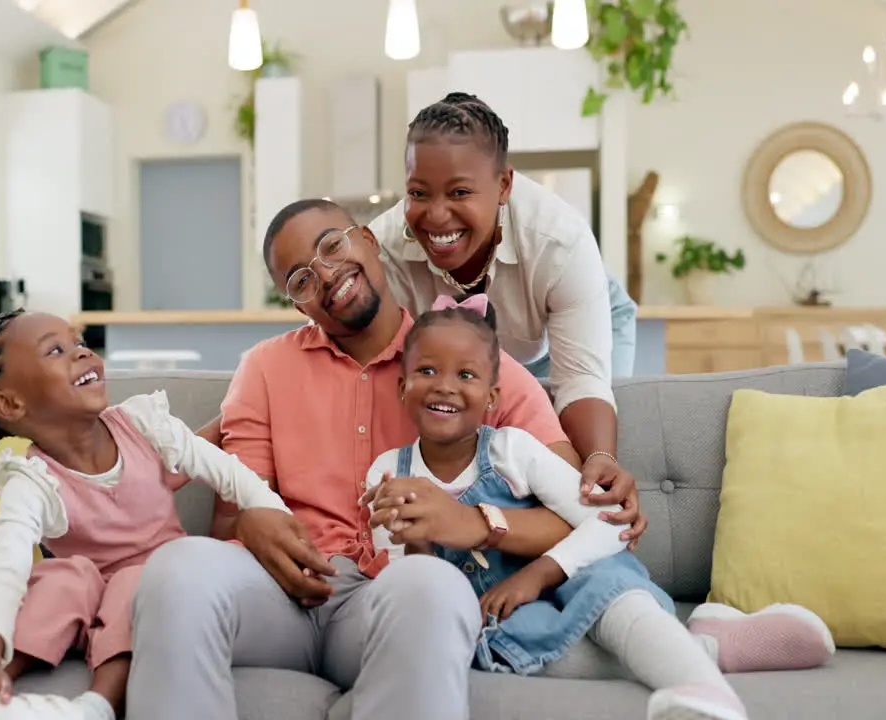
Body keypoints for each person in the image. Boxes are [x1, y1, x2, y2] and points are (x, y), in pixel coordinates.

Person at [127, 200, 830, 720]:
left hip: (393, 597)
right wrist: (250, 527)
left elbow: (583, 512)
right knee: (179, 567)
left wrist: (475, 521)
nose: (327, 275)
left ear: (371, 240)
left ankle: (697, 654)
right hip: (282, 601)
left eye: (334, 246)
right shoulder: (264, 368)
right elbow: (233, 510)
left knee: (431, 586)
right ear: (295, 300)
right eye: (301, 277)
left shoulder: (473, 362)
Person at [364, 294, 834, 720]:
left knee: (609, 588)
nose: (444, 386)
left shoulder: (513, 450)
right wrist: (419, 543)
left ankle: (705, 692)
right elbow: (409, 592)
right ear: (403, 387)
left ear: (491, 398)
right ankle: (706, 646)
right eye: (427, 371)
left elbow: (610, 524)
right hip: (501, 618)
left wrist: (538, 573)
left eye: (465, 374)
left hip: (569, 580)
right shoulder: (387, 473)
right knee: (525, 652)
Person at [0, 310, 292, 720]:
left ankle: (95, 707)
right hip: (85, 602)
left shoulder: (145, 425)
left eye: (79, 343)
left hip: (159, 592)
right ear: (12, 404)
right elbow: (6, 567)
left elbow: (230, 475)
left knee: (133, 580)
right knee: (59, 577)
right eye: (56, 350)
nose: (82, 354)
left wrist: (276, 515)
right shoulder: (33, 480)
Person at [369, 91, 641, 527]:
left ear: (504, 186)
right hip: (479, 356)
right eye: (419, 193)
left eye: (459, 191)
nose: (436, 216)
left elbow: (581, 379)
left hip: (572, 329)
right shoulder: (384, 248)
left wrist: (600, 459)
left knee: (586, 456)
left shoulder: (560, 241)